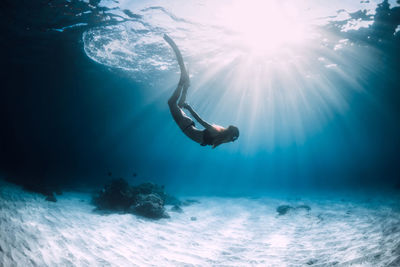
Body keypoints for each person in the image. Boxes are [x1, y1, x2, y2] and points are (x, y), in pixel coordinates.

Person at [164, 34, 239, 148]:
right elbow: (201, 121)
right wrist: (189, 108)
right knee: (171, 103)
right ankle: (182, 82)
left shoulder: (220, 139)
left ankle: (185, 87)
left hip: (188, 126)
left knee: (178, 105)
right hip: (186, 126)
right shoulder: (218, 137)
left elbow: (203, 131)